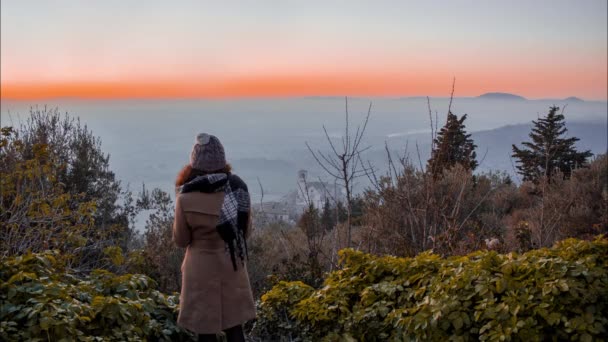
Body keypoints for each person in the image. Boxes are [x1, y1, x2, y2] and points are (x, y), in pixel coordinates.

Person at [173, 133, 255, 342]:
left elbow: (181, 240)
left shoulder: (185, 198)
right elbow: (245, 232)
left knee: (205, 332)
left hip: (199, 269)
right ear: (222, 161)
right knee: (235, 329)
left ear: (194, 164)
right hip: (230, 264)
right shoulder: (237, 190)